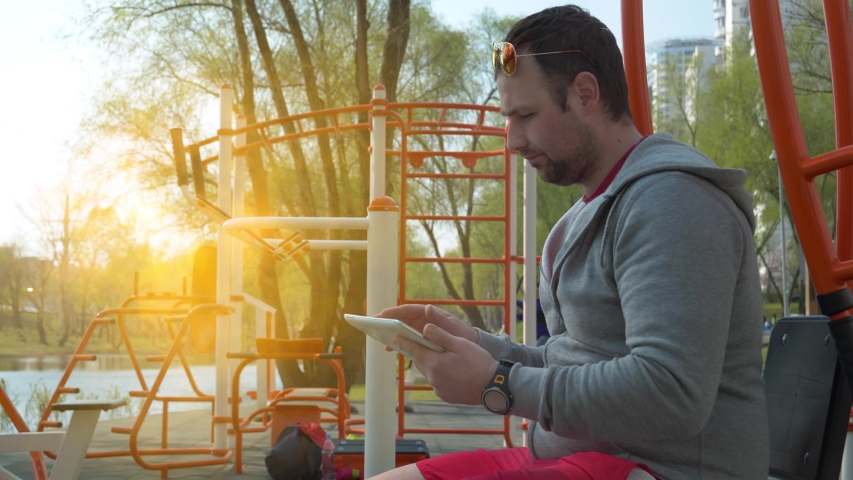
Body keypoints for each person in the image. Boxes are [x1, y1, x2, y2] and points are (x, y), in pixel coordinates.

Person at [374, 5, 768, 479]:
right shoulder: (579, 219)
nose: (511, 140)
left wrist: (496, 382)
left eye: (526, 115)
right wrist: (476, 345)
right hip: (572, 460)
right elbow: (574, 359)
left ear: (585, 94)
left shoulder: (672, 201)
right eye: (507, 117)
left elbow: (672, 391)